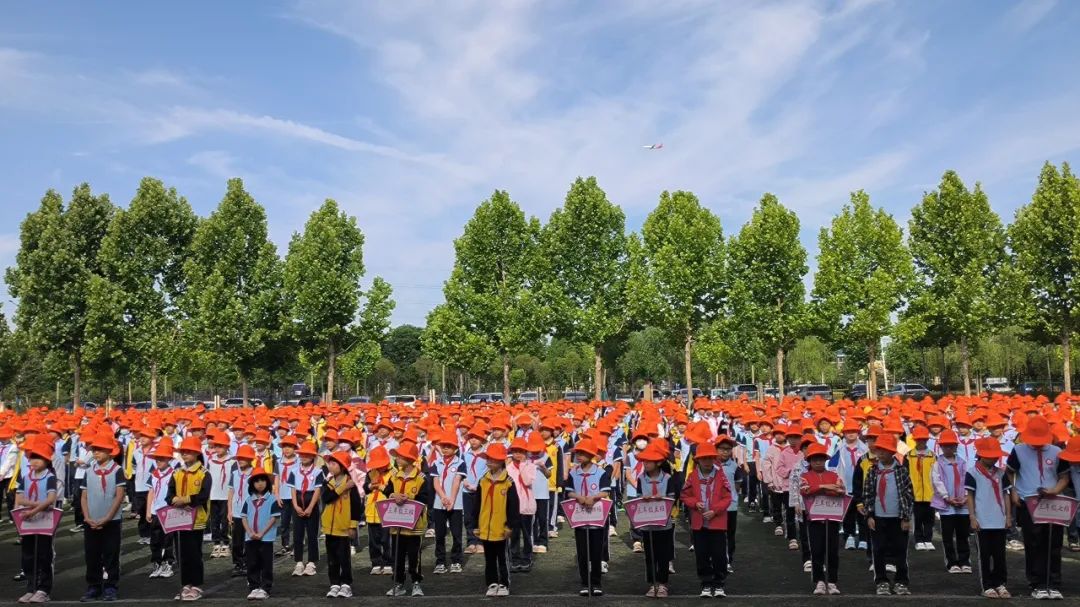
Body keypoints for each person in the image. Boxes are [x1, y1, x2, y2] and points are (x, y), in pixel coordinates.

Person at [1008, 415, 1067, 600]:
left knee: (1054, 543)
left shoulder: (1057, 451)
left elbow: (1064, 476)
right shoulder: (1018, 450)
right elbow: (1009, 472)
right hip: (1029, 500)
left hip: (1054, 502)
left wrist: (1055, 490)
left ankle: (1053, 583)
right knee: (1034, 543)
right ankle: (1036, 582)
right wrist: (1014, 491)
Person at [862, 433, 914, 596]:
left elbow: (908, 494)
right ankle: (881, 581)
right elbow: (868, 494)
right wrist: (869, 515)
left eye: (885, 450)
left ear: (893, 452)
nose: (881, 453)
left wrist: (906, 517)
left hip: (897, 518)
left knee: (900, 550)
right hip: (878, 517)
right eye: (879, 450)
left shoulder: (901, 471)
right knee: (878, 550)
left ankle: (901, 581)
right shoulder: (872, 471)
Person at [680, 442, 733, 598]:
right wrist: (695, 504)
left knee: (719, 555)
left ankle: (719, 584)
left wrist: (715, 511)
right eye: (704, 458)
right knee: (701, 554)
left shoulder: (720, 475)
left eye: (710, 458)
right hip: (699, 523)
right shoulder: (693, 476)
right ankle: (705, 583)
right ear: (698, 460)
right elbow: (684, 495)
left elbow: (727, 497)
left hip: (717, 522)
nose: (707, 461)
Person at [165, 436, 212, 602]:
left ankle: (196, 584)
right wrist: (173, 500)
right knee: (181, 553)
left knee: (194, 553)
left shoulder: (204, 473)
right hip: (179, 519)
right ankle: (185, 584)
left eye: (188, 451)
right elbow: (169, 493)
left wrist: (185, 500)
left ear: (197, 453)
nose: (184, 454)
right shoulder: (177, 473)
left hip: (196, 518)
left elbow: (203, 495)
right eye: (182, 451)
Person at [563, 439, 612, 597]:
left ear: (591, 455)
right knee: (582, 551)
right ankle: (585, 582)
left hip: (597, 515)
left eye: (582, 453)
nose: (578, 456)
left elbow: (605, 491)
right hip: (579, 516)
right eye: (577, 453)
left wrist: (593, 497)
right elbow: (569, 491)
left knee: (596, 551)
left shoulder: (600, 472)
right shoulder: (573, 472)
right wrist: (578, 496)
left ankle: (596, 582)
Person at [80, 433, 126, 602]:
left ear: (110, 451)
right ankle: (93, 586)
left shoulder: (117, 470)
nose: (96, 453)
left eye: (100, 449)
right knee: (92, 555)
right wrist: (87, 517)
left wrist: (107, 517)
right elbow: (83, 496)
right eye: (94, 450)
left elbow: (119, 496)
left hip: (111, 520)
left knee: (110, 554)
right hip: (91, 520)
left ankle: (110, 586)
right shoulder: (89, 470)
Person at [966, 437, 1013, 599]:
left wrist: (1008, 516)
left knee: (1000, 555)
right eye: (990, 455)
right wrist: (972, 516)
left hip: (999, 519)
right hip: (982, 520)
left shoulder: (1001, 473)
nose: (994, 458)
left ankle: (1000, 583)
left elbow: (1006, 495)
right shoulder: (972, 472)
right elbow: (970, 496)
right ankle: (986, 585)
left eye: (996, 455)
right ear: (980, 455)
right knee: (984, 555)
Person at [383, 441, 432, 597]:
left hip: (414, 525)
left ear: (410, 459)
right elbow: (387, 492)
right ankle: (398, 583)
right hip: (396, 524)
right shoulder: (394, 476)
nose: (396, 459)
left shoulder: (421, 478)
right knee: (397, 555)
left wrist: (407, 497)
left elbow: (425, 497)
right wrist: (393, 495)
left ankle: (416, 582)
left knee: (414, 556)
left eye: (400, 456)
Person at [471, 443, 519, 597]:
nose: (489, 462)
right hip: (485, 526)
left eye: (492, 459)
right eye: (488, 459)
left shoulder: (508, 482)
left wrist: (510, 526)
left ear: (500, 461)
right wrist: (475, 525)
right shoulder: (482, 481)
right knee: (489, 557)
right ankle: (492, 582)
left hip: (501, 527)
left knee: (503, 557)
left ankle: (504, 583)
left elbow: (513, 506)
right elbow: (477, 504)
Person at [15, 436, 58, 604]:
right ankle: (30, 587)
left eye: (38, 458)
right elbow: (19, 499)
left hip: (44, 520)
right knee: (28, 555)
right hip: (27, 519)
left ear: (47, 460)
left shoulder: (49, 477)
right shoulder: (26, 477)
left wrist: (34, 509)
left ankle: (44, 589)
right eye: (32, 457)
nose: (34, 461)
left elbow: (51, 499)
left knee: (43, 554)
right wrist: (34, 506)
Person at [635, 442, 678, 598]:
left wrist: (662, 498)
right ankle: (652, 584)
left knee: (663, 555)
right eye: (644, 461)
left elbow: (672, 498)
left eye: (648, 461)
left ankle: (663, 584)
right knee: (650, 555)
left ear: (658, 462)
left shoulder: (667, 478)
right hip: (647, 524)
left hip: (664, 523)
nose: (645, 464)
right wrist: (643, 498)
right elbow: (638, 497)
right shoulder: (641, 478)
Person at [800, 443, 843, 596]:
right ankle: (819, 581)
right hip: (814, 519)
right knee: (816, 550)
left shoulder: (834, 474)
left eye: (821, 459)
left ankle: (832, 581)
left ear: (825, 460)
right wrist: (825, 487)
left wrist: (823, 488)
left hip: (832, 519)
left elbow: (840, 491)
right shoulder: (805, 476)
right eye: (814, 459)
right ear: (809, 461)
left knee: (832, 551)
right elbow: (805, 491)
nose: (818, 462)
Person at [931, 430, 972, 574]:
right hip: (947, 505)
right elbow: (937, 482)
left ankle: (965, 560)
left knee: (963, 534)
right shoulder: (938, 464)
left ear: (956, 446)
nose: (948, 448)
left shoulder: (963, 463)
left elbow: (968, 481)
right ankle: (951, 562)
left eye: (951, 446)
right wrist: (946, 497)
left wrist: (966, 496)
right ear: (941, 447)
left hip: (962, 504)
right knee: (948, 536)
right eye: (945, 446)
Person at [321, 450, 360, 598]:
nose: (330, 466)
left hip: (343, 527)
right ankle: (334, 584)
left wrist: (352, 525)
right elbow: (327, 498)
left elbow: (356, 506)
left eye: (333, 463)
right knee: (332, 558)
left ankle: (346, 584)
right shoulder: (328, 482)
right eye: (329, 463)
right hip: (330, 528)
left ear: (342, 466)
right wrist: (342, 488)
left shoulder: (351, 484)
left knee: (344, 557)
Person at [429, 431, 466, 575]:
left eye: (449, 446)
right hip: (439, 503)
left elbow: (457, 481)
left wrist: (451, 499)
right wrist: (443, 497)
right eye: (443, 446)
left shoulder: (460, 463)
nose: (446, 449)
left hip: (455, 504)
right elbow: (436, 482)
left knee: (456, 533)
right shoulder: (436, 463)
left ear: (456, 449)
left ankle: (456, 560)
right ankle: (440, 561)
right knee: (440, 534)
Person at [241, 467, 280, 600]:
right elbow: (244, 517)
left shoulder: (272, 499)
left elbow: (273, 518)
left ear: (267, 483)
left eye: (263, 480)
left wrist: (262, 533)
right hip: (250, 537)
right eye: (256, 481)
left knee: (266, 563)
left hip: (266, 538)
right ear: (252, 484)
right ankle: (254, 587)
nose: (260, 483)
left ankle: (265, 588)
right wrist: (250, 532)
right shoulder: (248, 500)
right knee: (252, 562)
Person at [288, 441, 323, 577]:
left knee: (312, 534)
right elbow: (292, 489)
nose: (304, 457)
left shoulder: (318, 471)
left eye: (307, 455)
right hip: (298, 501)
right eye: (302, 455)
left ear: (313, 456)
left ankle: (311, 562)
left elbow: (317, 490)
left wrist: (310, 507)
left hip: (311, 503)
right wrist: (295, 505)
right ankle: (298, 562)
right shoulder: (294, 471)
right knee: (297, 534)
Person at [144, 440, 177, 579]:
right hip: (155, 511)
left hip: (168, 510)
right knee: (155, 539)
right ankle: (157, 562)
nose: (158, 461)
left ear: (169, 459)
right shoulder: (153, 474)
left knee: (168, 539)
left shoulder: (174, 474)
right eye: (157, 458)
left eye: (162, 459)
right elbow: (151, 492)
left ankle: (167, 563)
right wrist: (148, 510)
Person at [506, 437, 537, 573]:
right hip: (513, 507)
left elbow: (527, 482)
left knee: (526, 533)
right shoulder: (508, 468)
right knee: (514, 534)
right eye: (515, 451)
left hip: (527, 505)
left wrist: (523, 465)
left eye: (521, 451)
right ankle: (515, 558)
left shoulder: (530, 466)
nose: (518, 454)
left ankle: (526, 558)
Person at [363, 446, 393, 575]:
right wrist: (370, 486)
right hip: (372, 510)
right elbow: (365, 488)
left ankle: (388, 562)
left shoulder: (393, 474)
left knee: (387, 539)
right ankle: (376, 562)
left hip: (386, 510)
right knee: (373, 540)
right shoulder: (370, 473)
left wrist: (382, 487)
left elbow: (392, 491)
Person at [227, 445, 256, 578]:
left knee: (249, 538)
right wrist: (229, 510)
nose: (241, 460)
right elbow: (231, 492)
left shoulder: (255, 473)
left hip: (251, 511)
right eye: (239, 458)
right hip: (237, 511)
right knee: (237, 540)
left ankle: (249, 562)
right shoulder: (234, 473)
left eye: (244, 458)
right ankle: (238, 563)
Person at [716, 435, 743, 571]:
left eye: (728, 449)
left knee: (730, 534)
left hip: (730, 506)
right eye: (722, 449)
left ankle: (728, 560)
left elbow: (737, 486)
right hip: (714, 506)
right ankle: (717, 559)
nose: (725, 452)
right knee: (716, 534)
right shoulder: (711, 465)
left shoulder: (735, 467)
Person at [908, 426, 937, 551]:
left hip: (930, 493)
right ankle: (919, 539)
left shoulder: (933, 456)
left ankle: (928, 539)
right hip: (915, 493)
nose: (921, 442)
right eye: (919, 439)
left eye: (924, 439)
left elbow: (937, 474)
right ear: (915, 440)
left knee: (929, 518)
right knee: (918, 518)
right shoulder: (908, 456)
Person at [206, 433, 232, 560]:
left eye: (221, 446)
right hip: (213, 494)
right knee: (214, 520)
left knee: (225, 520)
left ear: (227, 447)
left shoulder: (232, 461)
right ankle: (216, 543)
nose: (218, 449)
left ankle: (226, 543)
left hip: (226, 495)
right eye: (216, 446)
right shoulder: (211, 460)